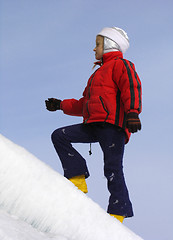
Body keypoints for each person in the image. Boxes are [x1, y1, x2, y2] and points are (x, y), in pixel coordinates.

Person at [45, 27, 142, 223]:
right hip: (93, 124)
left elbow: (131, 87)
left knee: (112, 168)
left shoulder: (122, 65)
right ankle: (77, 176)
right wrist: (61, 105)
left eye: (98, 44)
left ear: (109, 45)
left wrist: (132, 113)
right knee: (60, 135)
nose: (94, 48)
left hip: (112, 126)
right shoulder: (96, 74)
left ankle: (118, 212)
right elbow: (84, 104)